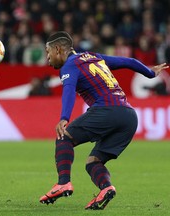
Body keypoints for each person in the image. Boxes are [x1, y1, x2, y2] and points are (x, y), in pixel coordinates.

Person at [39, 31, 168, 210]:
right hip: (129, 117)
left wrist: (64, 118)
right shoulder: (93, 57)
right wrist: (150, 73)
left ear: (58, 49)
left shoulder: (69, 65)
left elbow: (68, 90)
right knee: (94, 162)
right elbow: (128, 61)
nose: (47, 57)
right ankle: (106, 188)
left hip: (107, 110)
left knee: (64, 137)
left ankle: (63, 183)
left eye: (48, 52)